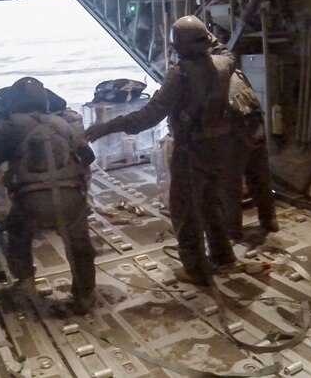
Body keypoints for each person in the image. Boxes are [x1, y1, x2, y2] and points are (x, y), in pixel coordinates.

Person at [85, 16, 243, 285]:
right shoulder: (223, 65)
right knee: (211, 204)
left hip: (191, 151)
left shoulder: (179, 75)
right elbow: (226, 51)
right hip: (220, 148)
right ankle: (224, 256)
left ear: (177, 46)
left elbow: (148, 117)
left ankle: (196, 270)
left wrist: (106, 127)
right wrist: (206, 36)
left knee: (185, 210)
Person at [0, 77, 97, 313]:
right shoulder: (62, 124)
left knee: (16, 234)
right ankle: (84, 295)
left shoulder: (12, 127)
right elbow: (88, 157)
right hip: (71, 201)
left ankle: (25, 284)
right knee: (80, 247)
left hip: (30, 203)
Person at [221, 68, 279, 240]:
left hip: (235, 135)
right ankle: (269, 220)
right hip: (255, 131)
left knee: (230, 186)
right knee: (260, 180)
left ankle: (232, 230)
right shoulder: (236, 72)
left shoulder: (210, 76)